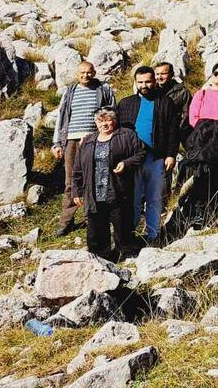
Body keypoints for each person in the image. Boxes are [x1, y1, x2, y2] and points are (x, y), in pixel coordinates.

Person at [114, 66, 180, 244]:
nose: (144, 85)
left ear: (154, 81)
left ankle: (154, 235)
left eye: (148, 81)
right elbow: (118, 132)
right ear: (135, 82)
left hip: (156, 158)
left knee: (154, 199)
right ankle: (130, 236)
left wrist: (171, 154)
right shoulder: (125, 103)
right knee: (133, 199)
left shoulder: (165, 102)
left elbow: (173, 130)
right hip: (133, 160)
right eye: (140, 82)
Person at [71, 108, 145, 262]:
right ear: (96, 122)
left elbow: (141, 154)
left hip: (118, 189)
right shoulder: (88, 141)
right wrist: (76, 191)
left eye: (108, 120)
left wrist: (126, 163)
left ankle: (127, 253)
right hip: (94, 192)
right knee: (96, 227)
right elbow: (77, 169)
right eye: (100, 121)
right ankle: (101, 257)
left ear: (114, 121)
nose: (104, 124)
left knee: (122, 222)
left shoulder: (126, 135)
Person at [51, 61, 115, 236]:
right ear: (76, 73)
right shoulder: (69, 91)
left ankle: (92, 217)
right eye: (82, 72)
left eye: (89, 72)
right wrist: (57, 143)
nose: (85, 75)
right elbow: (61, 117)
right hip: (71, 141)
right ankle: (66, 221)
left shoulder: (103, 89)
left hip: (95, 140)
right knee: (70, 181)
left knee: (95, 178)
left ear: (94, 72)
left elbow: (112, 113)